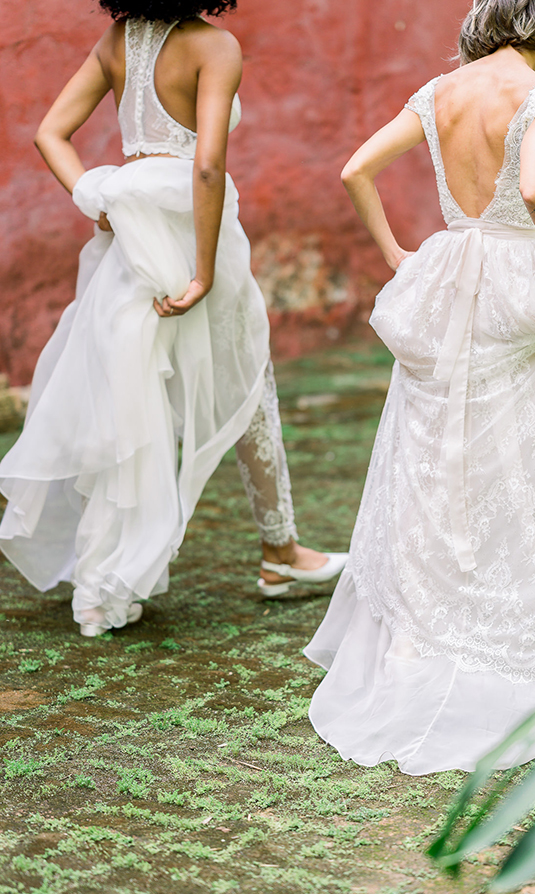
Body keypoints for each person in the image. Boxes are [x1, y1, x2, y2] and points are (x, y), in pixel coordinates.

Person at [305, 0, 535, 774]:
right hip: (522, 283)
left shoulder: (440, 91)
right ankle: (522, 640)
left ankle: (423, 643)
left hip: (450, 275)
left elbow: (354, 170)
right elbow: (533, 190)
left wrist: (398, 255)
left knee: (438, 462)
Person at [0, 0, 347, 637]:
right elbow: (207, 166)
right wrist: (203, 273)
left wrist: (98, 204)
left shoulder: (116, 40)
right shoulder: (214, 47)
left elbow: (49, 132)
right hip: (194, 239)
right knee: (249, 383)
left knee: (127, 395)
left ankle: (103, 587)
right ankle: (279, 552)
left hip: (132, 249)